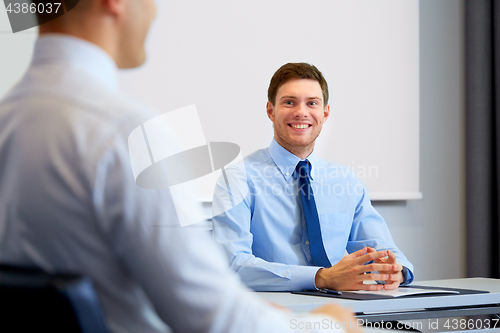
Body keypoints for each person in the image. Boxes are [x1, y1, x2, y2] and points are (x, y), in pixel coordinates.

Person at [0, 1, 361, 333]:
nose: (154, 11)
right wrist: (325, 326)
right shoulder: (124, 133)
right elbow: (208, 316)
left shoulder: (9, 118)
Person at [212, 62, 414, 292]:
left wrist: (398, 270)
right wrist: (321, 278)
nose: (301, 112)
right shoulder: (237, 180)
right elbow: (233, 266)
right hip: (273, 313)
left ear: (325, 113)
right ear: (270, 110)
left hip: (345, 309)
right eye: (289, 102)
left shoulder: (346, 181)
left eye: (312, 103)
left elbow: (383, 249)